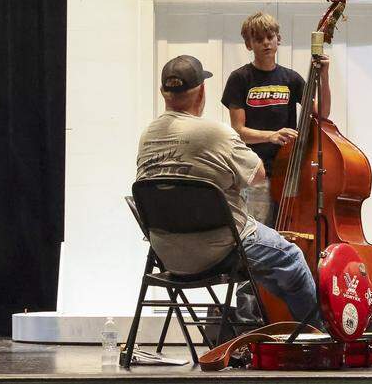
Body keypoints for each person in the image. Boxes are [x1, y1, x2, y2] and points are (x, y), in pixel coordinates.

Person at [136, 55, 322, 327]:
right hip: (220, 250)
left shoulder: (147, 134)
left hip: (166, 254)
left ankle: (264, 329)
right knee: (291, 259)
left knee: (270, 271)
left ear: (164, 93)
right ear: (201, 91)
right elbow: (258, 176)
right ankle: (318, 335)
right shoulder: (215, 133)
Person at [221, 12, 331, 226]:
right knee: (258, 230)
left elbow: (323, 113)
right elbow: (239, 131)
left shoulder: (291, 78)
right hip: (256, 172)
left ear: (278, 39)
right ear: (248, 44)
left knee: (291, 229)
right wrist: (271, 136)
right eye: (258, 39)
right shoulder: (240, 78)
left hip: (290, 169)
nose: (265, 43)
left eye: (270, 37)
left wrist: (324, 75)